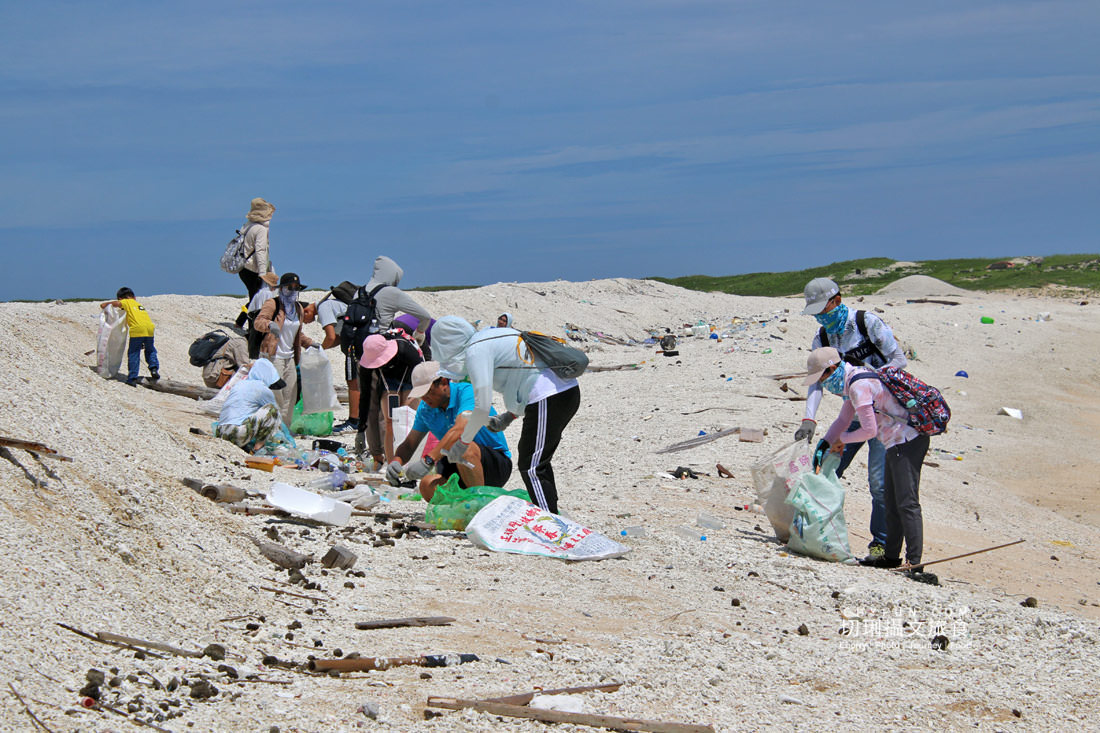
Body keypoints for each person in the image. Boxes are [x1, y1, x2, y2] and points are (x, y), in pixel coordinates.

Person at [795, 277, 907, 564]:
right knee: (827, 467)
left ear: (837, 300)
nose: (821, 316)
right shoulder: (821, 339)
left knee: (879, 483)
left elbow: (899, 360)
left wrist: (870, 385)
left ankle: (881, 545)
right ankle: (816, 530)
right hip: (852, 411)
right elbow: (817, 381)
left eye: (824, 308)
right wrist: (809, 417)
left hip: (886, 417)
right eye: (815, 312)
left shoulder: (866, 323)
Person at [804, 347, 933, 582]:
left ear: (832, 369)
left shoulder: (857, 385)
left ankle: (915, 563)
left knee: (907, 503)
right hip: (893, 442)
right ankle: (891, 557)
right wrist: (825, 444)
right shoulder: (852, 380)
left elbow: (869, 430)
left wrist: (841, 441)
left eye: (822, 378)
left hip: (908, 440)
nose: (823, 385)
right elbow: (844, 419)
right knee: (892, 501)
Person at [432, 315, 580, 514]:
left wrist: (463, 443)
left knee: (532, 466)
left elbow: (482, 406)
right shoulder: (490, 337)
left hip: (549, 395)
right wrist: (508, 417)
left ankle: (552, 523)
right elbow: (522, 374)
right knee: (535, 460)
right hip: (560, 393)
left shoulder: (476, 350)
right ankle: (550, 515)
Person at [384, 361, 512, 500]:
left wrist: (428, 461)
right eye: (421, 396)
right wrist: (396, 462)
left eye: (429, 393)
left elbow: (460, 430)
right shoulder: (426, 409)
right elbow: (409, 444)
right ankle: (462, 511)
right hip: (456, 463)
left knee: (462, 447)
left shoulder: (468, 392)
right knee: (427, 486)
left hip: (494, 464)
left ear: (444, 382)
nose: (425, 400)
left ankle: (479, 505)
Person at [351, 256, 433, 464]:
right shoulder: (391, 292)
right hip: (386, 355)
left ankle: (377, 455)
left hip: (362, 355)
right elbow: (423, 316)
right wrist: (419, 334)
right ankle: (395, 458)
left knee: (370, 404)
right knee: (388, 412)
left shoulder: (358, 292)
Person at [254, 273, 314, 429]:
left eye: (296, 288)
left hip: (290, 359)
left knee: (289, 397)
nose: (293, 290)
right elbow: (258, 322)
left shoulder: (298, 308)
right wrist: (269, 325)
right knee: (276, 396)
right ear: (282, 288)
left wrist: (310, 344)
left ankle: (283, 431)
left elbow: (297, 334)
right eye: (289, 287)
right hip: (274, 357)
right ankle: (269, 429)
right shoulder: (273, 303)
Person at [355, 332, 424, 464]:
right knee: (390, 421)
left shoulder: (405, 350)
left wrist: (409, 400)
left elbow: (422, 377)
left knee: (409, 416)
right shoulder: (365, 367)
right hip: (389, 382)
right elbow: (365, 398)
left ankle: (410, 461)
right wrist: (361, 429)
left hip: (412, 379)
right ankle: (391, 463)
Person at [304, 295, 360, 434]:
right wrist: (321, 348)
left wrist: (319, 350)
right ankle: (362, 417)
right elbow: (338, 338)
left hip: (353, 345)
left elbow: (331, 337)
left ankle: (354, 421)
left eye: (302, 319)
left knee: (352, 381)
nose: (304, 323)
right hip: (361, 341)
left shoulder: (324, 307)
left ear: (306, 311)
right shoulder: (333, 304)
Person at [216, 358, 286, 452]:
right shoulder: (262, 389)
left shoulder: (240, 384)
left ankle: (245, 444)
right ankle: (258, 448)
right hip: (236, 434)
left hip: (220, 432)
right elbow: (276, 417)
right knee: (272, 410)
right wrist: (285, 436)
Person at [100, 287, 159, 386]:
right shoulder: (139, 305)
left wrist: (105, 305)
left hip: (137, 329)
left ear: (121, 298)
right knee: (150, 350)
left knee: (133, 353)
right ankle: (153, 368)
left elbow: (117, 304)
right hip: (149, 329)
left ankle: (132, 378)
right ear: (134, 297)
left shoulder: (127, 302)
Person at [235, 198, 276, 327]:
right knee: (256, 299)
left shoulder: (247, 225)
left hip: (243, 266)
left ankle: (241, 321)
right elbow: (260, 251)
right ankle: (249, 325)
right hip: (253, 269)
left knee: (254, 297)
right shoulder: (261, 229)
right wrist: (263, 273)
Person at [246, 271, 280, 359]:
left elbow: (250, 310)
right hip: (265, 318)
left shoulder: (259, 293)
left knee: (253, 340)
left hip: (255, 318)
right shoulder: (269, 294)